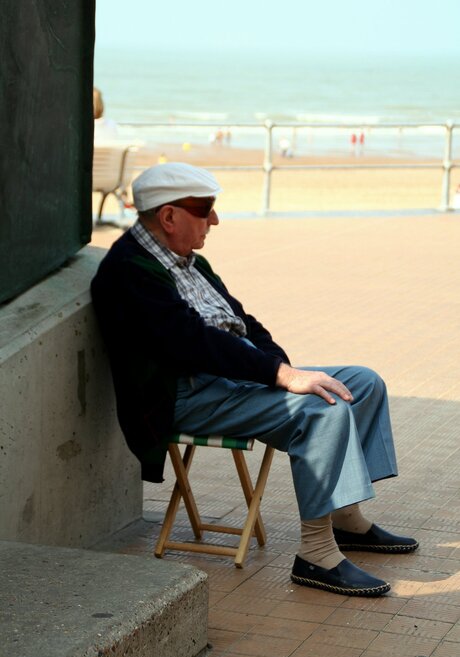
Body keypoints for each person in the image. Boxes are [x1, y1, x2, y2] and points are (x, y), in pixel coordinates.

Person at [91, 162, 418, 597]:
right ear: (169, 217)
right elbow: (194, 344)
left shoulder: (190, 261)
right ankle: (316, 555)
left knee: (362, 383)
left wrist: (282, 367)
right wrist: (279, 375)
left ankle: (345, 520)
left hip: (232, 377)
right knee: (324, 409)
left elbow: (241, 321)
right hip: (184, 395)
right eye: (205, 209)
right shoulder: (129, 271)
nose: (215, 219)